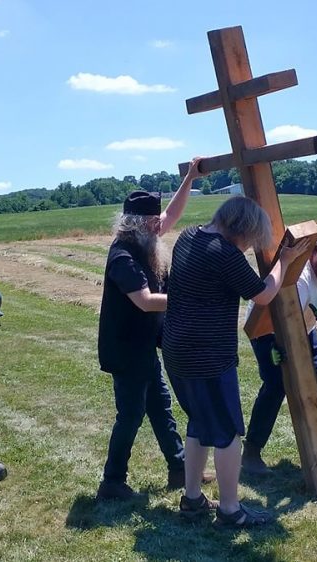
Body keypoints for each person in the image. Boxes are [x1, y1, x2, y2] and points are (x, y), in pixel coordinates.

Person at [162, 196, 311, 527]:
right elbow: (262, 293)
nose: (248, 246)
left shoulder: (188, 236)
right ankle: (230, 510)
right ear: (241, 229)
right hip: (207, 356)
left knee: (199, 424)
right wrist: (284, 260)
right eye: (249, 238)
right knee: (228, 433)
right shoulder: (224, 253)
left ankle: (192, 500)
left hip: (176, 350)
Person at [96, 158, 206, 500]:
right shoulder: (123, 256)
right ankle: (112, 482)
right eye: (154, 221)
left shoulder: (144, 240)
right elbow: (144, 301)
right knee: (131, 414)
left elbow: (172, 214)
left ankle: (178, 469)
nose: (161, 226)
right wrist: (188, 300)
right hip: (125, 349)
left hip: (143, 346)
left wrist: (189, 177)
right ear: (138, 223)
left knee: (160, 406)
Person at [242, 233, 317, 475]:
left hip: (305, 327)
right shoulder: (300, 278)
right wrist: (273, 346)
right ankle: (251, 452)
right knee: (276, 384)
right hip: (268, 328)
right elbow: (283, 319)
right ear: (316, 252)